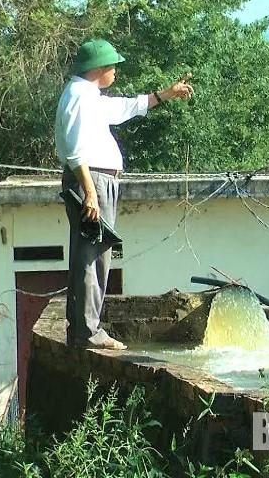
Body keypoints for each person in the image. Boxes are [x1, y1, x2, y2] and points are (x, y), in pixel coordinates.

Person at [55, 38, 193, 350]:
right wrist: (90, 193)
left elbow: (124, 107)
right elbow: (76, 152)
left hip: (97, 182)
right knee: (92, 255)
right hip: (93, 182)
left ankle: (84, 329)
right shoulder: (79, 95)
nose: (115, 71)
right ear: (98, 69)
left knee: (94, 254)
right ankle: (87, 332)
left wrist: (165, 94)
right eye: (112, 66)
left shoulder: (86, 94)